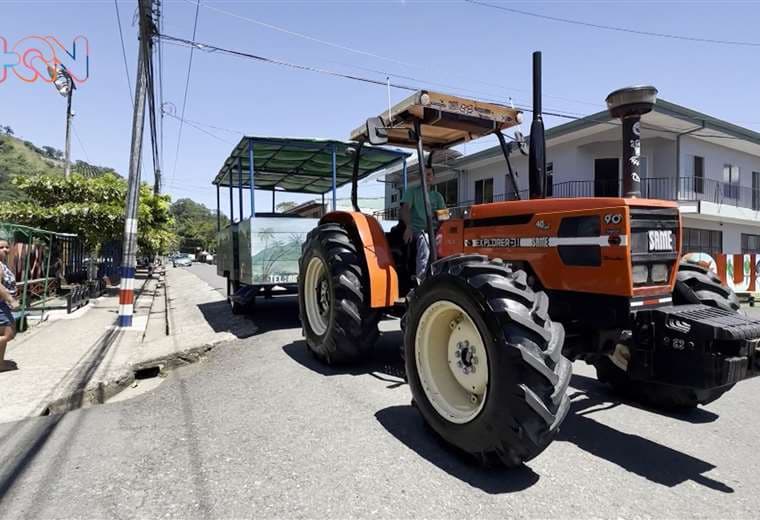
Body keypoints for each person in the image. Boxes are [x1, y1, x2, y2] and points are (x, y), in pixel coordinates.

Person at [399, 167, 446, 282]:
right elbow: (405, 209)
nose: (427, 177)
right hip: (418, 230)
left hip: (435, 231)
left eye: (429, 174)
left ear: (433, 178)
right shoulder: (412, 192)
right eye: (424, 174)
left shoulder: (437, 196)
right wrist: (408, 226)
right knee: (426, 242)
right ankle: (421, 281)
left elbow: (444, 216)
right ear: (420, 177)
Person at [0, 238, 19, 372]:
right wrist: (11, 300)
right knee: (9, 333)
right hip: (1, 304)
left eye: (7, 247)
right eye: (1, 248)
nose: (5, 250)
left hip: (3, 304)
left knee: (4, 334)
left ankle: (0, 364)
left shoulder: (2, 264)